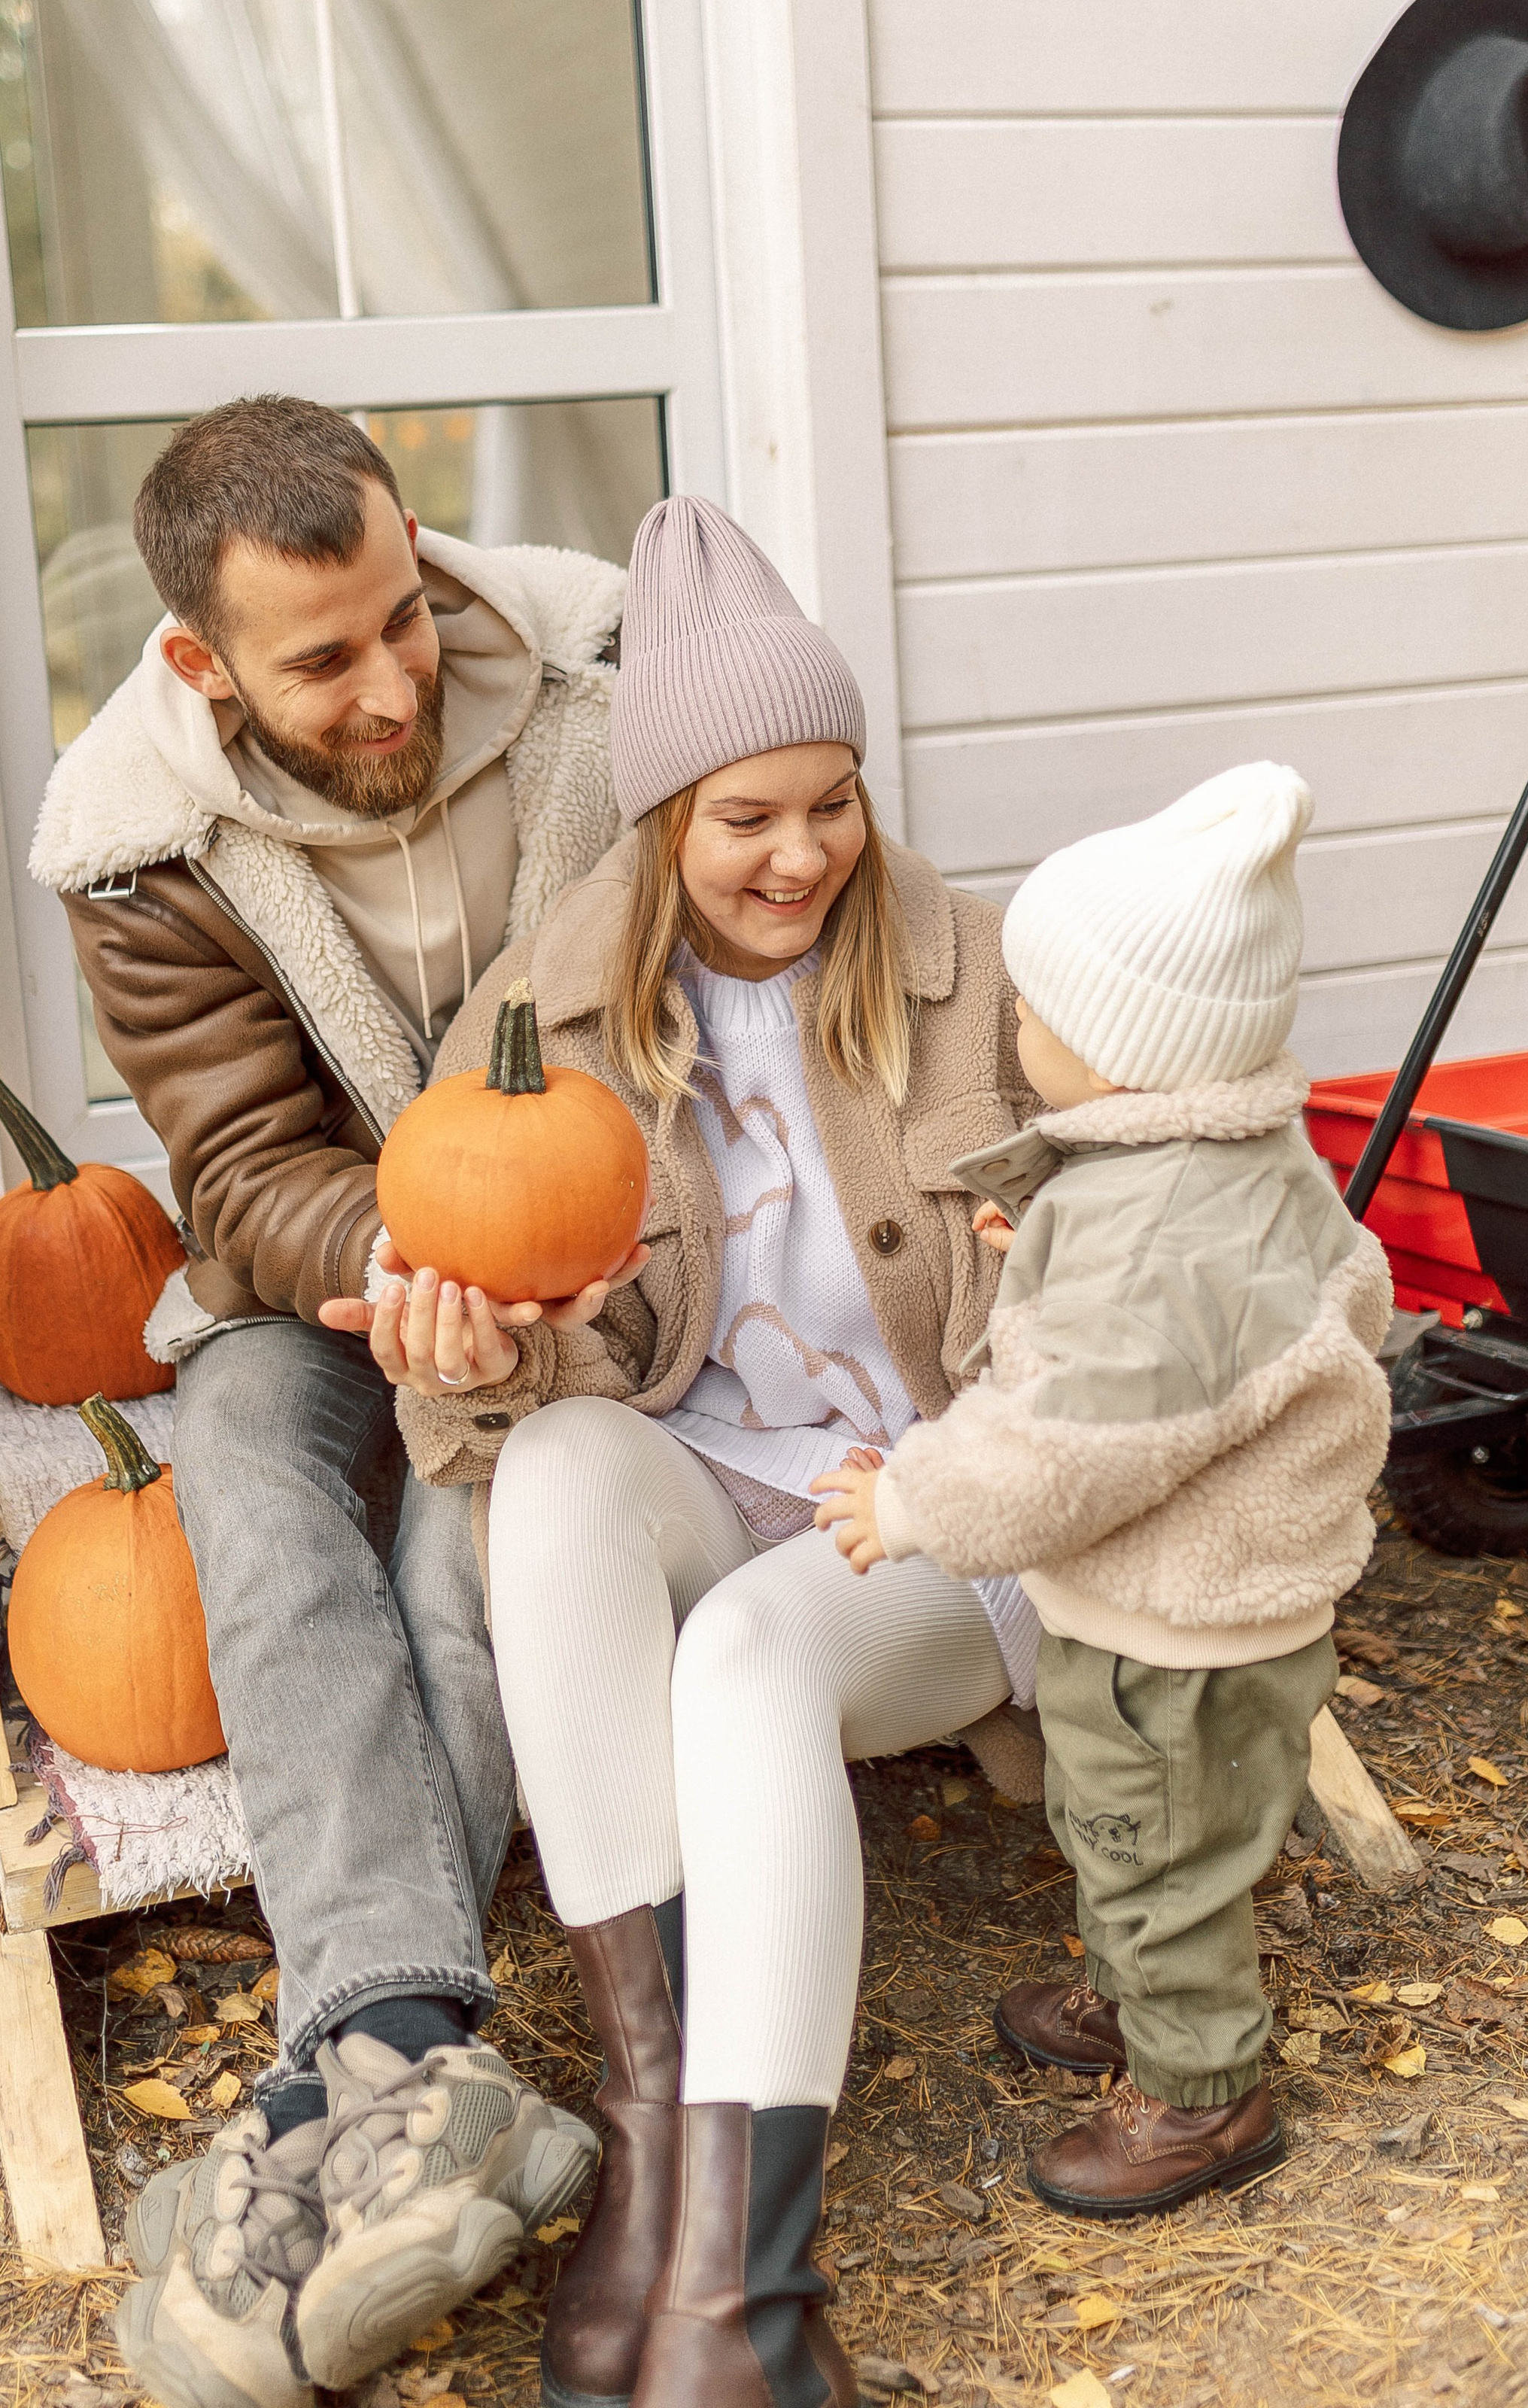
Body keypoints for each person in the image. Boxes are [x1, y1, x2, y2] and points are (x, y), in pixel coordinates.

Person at [326, 497, 1044, 2408]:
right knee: (558, 1468)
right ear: (660, 821)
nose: (799, 854)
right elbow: (468, 1400)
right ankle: (653, 2152)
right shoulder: (545, 1019)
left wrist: (1035, 1276)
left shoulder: (982, 977)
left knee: (740, 1656)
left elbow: (1127, 1277)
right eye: (746, 817)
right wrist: (488, 1356)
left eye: (832, 804)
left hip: (938, 1511)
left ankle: (741, 2296)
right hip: (718, 1479)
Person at [27, 396, 629, 2403]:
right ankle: (413, 2057)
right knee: (242, 1462)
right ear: (202, 664)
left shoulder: (590, 686)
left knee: (467, 1531)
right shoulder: (135, 848)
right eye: (322, 661)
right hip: (332, 1260)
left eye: (403, 616)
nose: (392, 684)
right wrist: (405, 1262)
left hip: (600, 1236)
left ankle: (358, 2060)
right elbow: (239, 1163)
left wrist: (550, 1264)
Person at [816, 764, 1394, 2218]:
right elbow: (1318, 1298)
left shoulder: (1160, 1243)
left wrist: (914, 1507)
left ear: (1129, 1060)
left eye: (1034, 1013)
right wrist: (1062, 1252)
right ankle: (1142, 1999)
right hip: (1188, 1607)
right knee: (1121, 1821)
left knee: (1160, 1855)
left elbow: (1066, 1446)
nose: (1013, 1027)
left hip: (1176, 1638)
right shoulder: (1234, 1158)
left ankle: (1203, 2091)